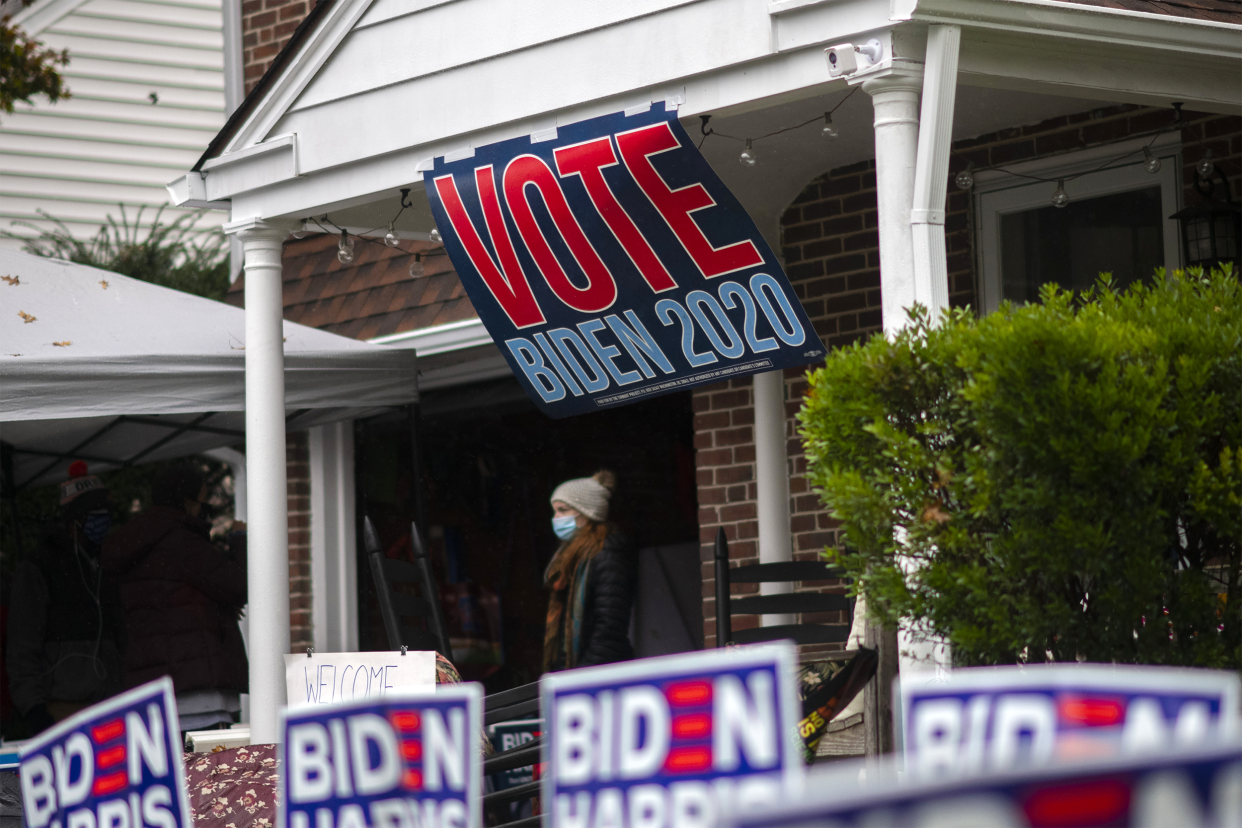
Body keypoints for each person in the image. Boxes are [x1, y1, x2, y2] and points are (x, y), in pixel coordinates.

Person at [101, 462, 247, 733]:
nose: (205, 510)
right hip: (197, 690)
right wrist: (239, 538)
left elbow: (171, 597)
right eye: (203, 502)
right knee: (208, 773)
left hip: (152, 692)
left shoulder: (137, 541)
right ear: (186, 502)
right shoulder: (180, 542)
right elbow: (238, 585)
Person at [7, 461, 124, 734]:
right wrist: (34, 708)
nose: (102, 522)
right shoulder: (39, 567)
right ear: (73, 520)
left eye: (106, 515)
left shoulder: (103, 566)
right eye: (95, 515)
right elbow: (22, 645)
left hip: (107, 706)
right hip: (61, 709)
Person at [543, 470, 635, 672]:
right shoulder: (571, 557)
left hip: (600, 673)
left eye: (563, 510)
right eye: (554, 511)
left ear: (587, 512)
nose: (556, 518)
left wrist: (582, 675)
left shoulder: (606, 555)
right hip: (579, 671)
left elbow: (609, 628)